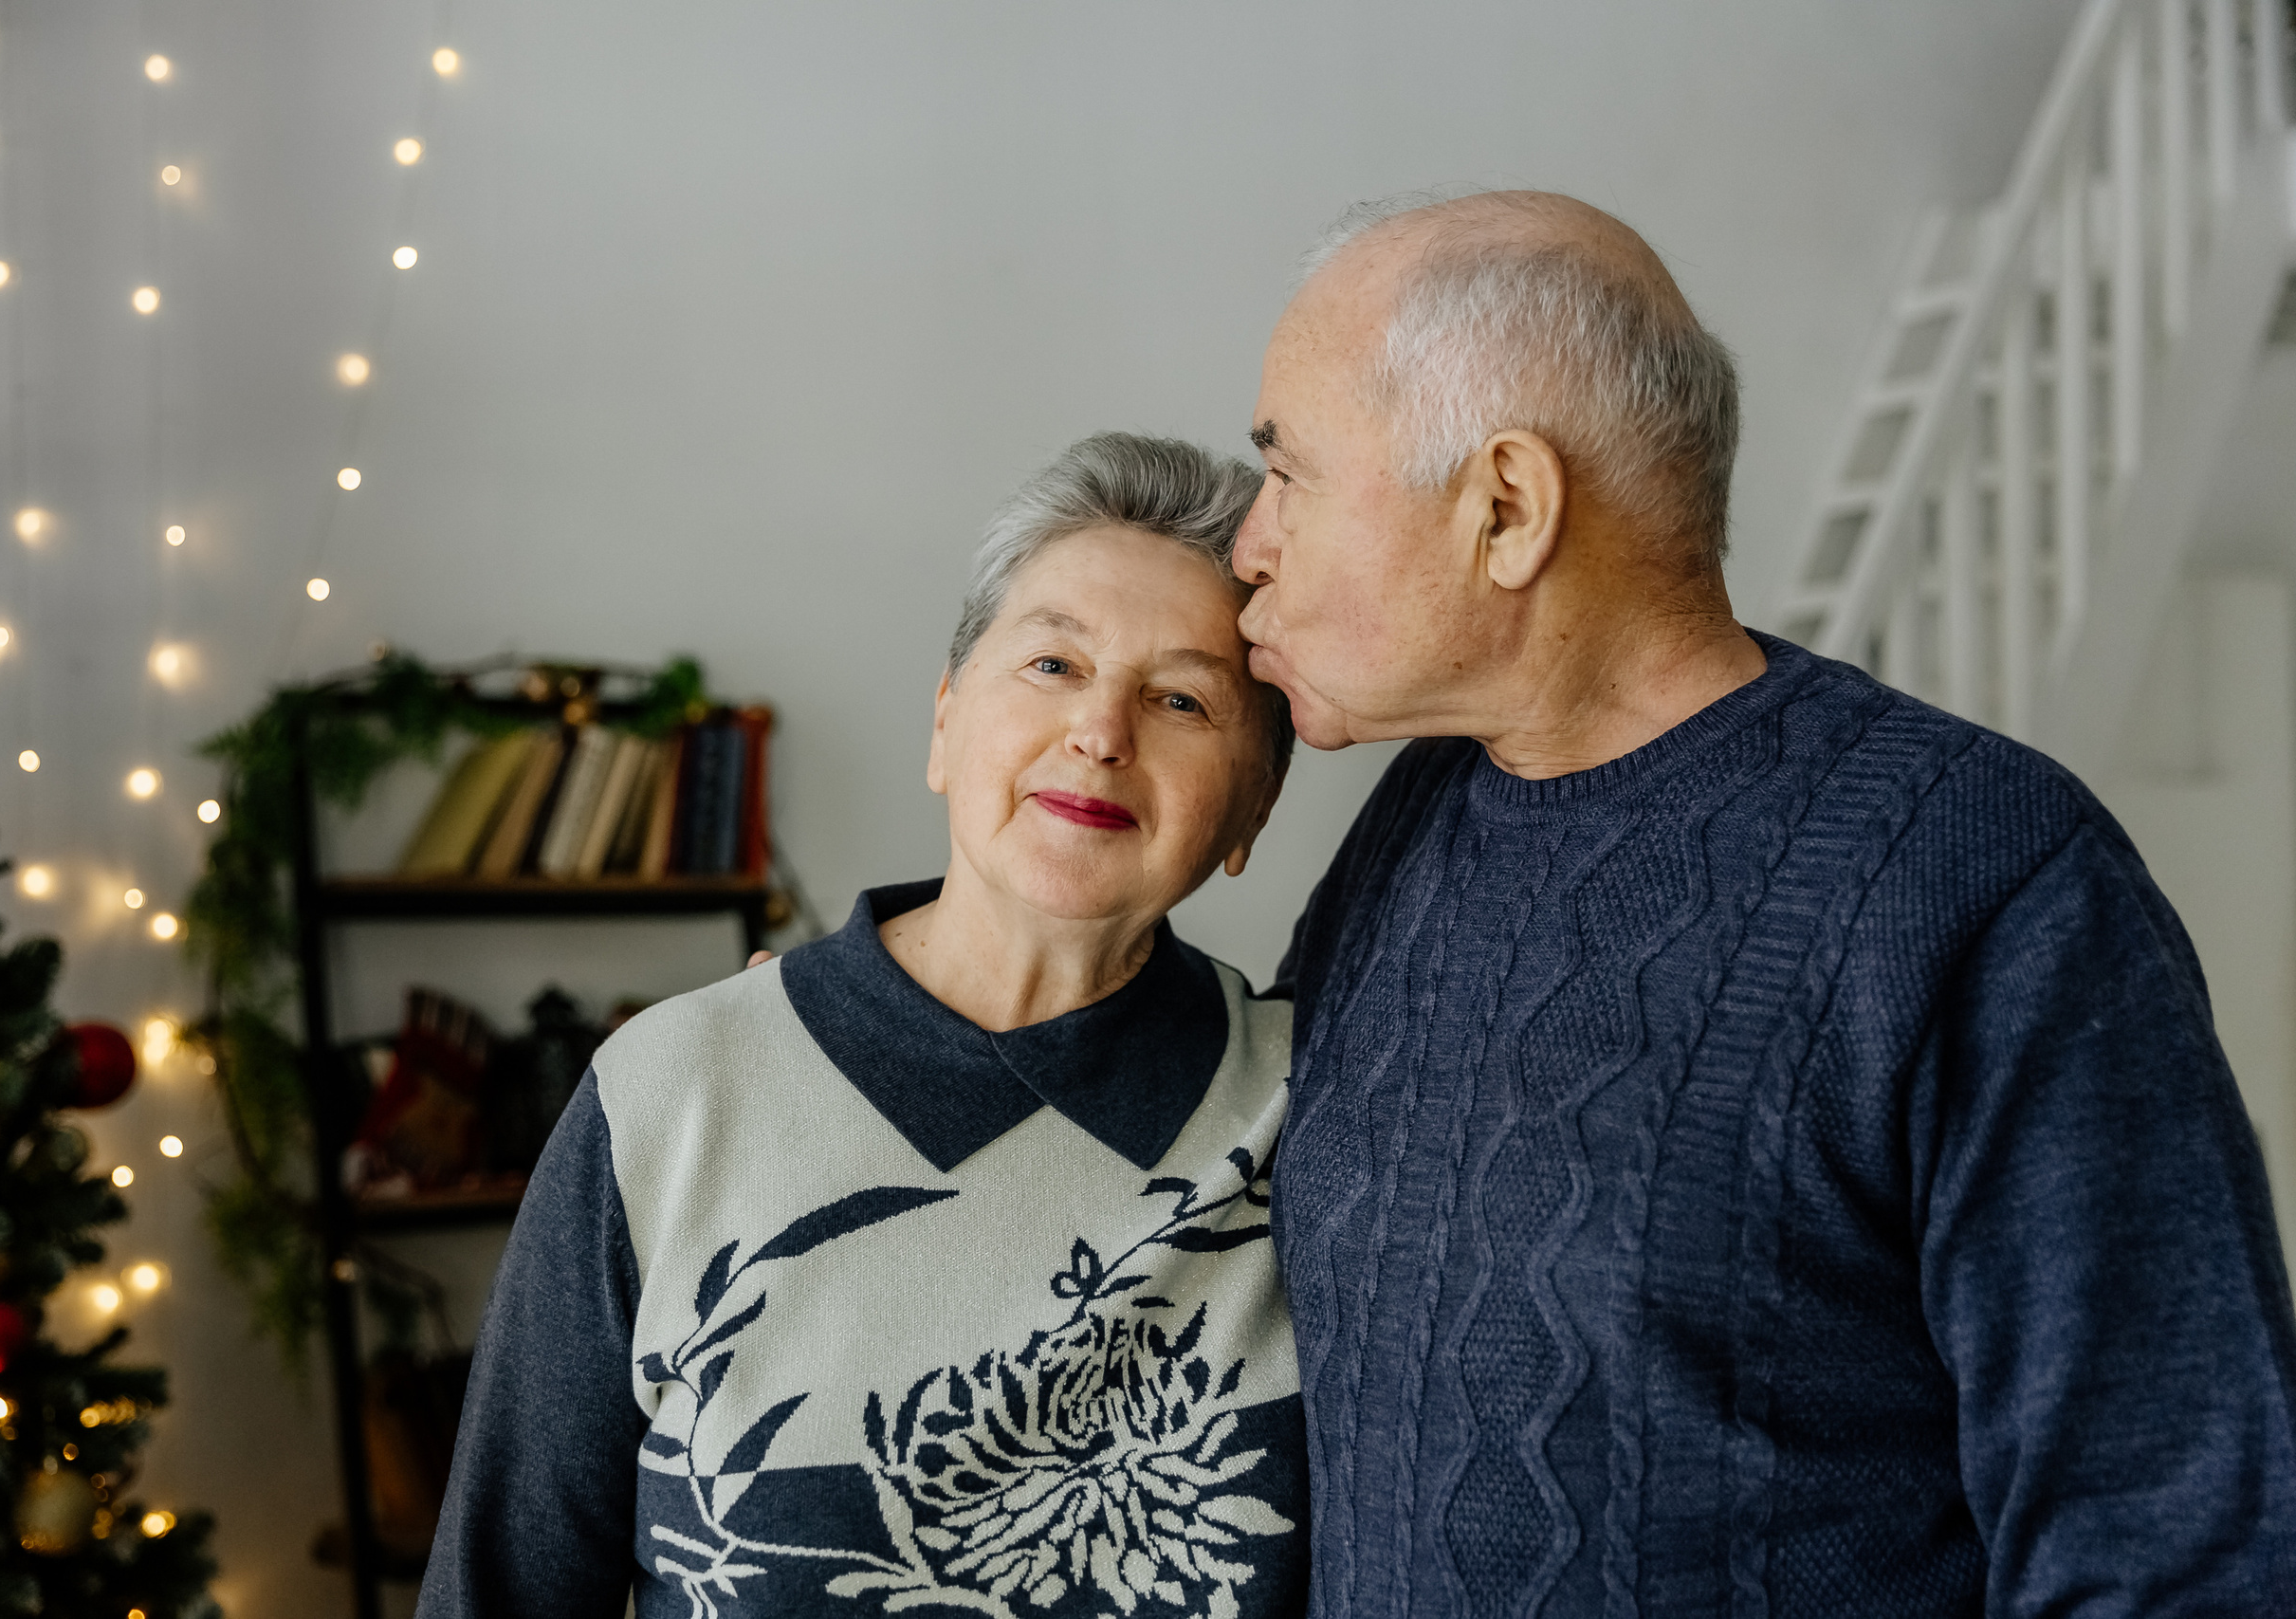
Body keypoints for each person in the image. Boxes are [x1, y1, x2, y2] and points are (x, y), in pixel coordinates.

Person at [1234, 190, 2296, 1616]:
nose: (1249, 542)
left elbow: (2175, 1536)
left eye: (1288, 474)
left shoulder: (1988, 875)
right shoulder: (1415, 817)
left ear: (1506, 507)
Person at [418, 432, 1311, 1618]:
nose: (1101, 731)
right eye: (1052, 664)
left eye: (1183, 697)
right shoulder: (672, 1093)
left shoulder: (1315, 1107)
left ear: (1249, 808)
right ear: (945, 723)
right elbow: (503, 1589)